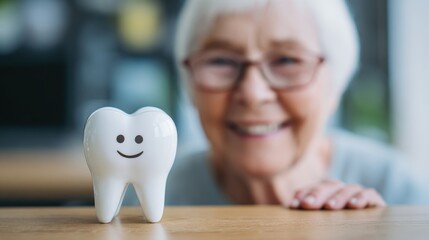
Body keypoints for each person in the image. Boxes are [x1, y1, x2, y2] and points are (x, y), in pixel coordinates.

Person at [165, 0, 429, 209]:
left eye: (287, 61)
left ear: (335, 83)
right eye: (221, 62)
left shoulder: (399, 191)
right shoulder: (149, 196)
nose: (253, 94)